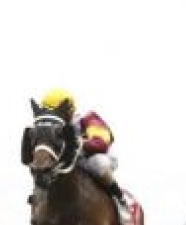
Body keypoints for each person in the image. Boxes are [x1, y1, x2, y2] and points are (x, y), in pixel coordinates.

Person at [38, 88, 131, 218]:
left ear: (68, 109)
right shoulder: (54, 127)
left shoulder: (89, 118)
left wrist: (77, 143)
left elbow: (101, 143)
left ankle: (120, 199)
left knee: (99, 164)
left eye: (55, 111)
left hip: (94, 156)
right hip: (73, 161)